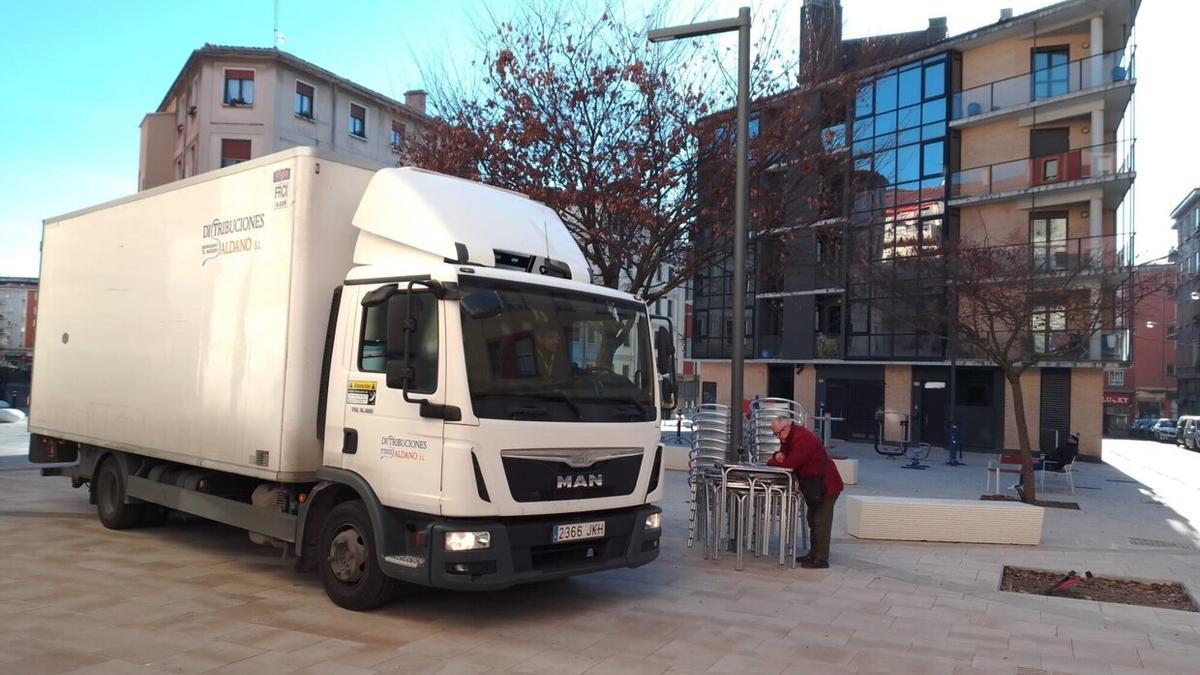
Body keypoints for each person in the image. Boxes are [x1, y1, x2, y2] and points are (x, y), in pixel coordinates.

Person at [766, 415, 845, 568]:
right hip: (814, 484)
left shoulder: (802, 438)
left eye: (778, 433)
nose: (778, 438)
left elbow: (789, 464)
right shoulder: (789, 438)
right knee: (812, 519)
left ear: (787, 428)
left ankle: (820, 558)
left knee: (821, 521)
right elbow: (783, 455)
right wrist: (776, 455)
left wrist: (771, 461)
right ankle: (814, 553)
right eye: (775, 434)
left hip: (826, 484)